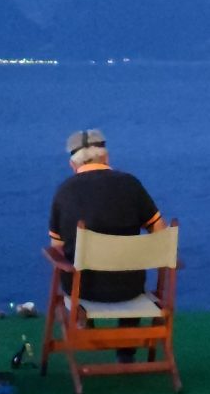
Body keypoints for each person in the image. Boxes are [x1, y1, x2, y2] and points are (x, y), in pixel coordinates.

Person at [47, 128, 166, 309]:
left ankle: (84, 322)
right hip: (130, 288)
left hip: (82, 290)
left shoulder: (64, 192)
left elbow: (57, 247)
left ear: (72, 164)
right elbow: (160, 232)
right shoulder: (131, 185)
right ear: (106, 157)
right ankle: (130, 324)